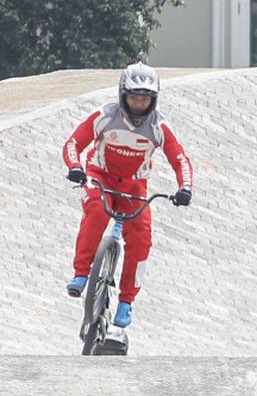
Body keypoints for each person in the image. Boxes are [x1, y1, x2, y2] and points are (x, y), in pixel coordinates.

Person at [62, 61, 193, 329]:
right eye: (133, 97)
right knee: (97, 211)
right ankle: (81, 273)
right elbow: (74, 142)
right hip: (100, 175)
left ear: (153, 100)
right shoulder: (106, 116)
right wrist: (75, 167)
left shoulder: (159, 127)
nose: (138, 105)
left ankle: (126, 302)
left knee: (142, 236)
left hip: (134, 187)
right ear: (123, 95)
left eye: (144, 100)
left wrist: (185, 188)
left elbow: (180, 159)